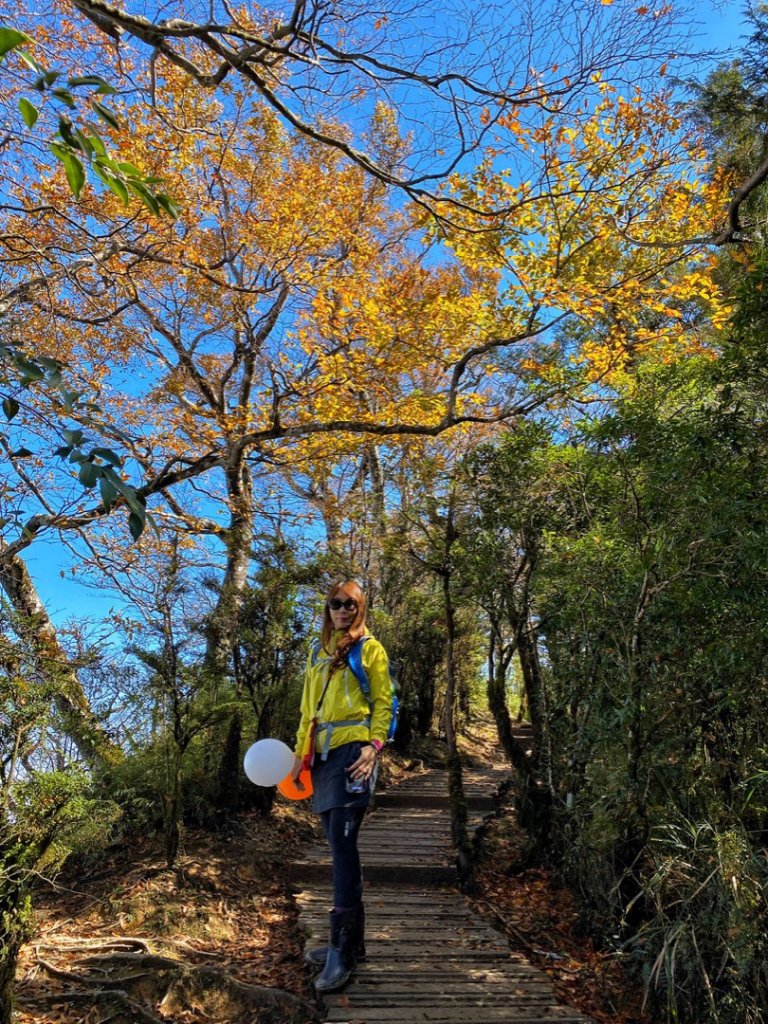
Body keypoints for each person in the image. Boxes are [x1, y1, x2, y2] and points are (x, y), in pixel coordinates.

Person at [291, 580, 391, 993]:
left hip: (354, 753)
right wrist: (299, 758)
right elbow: (306, 712)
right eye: (336, 604)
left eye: (351, 605)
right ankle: (354, 942)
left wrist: (375, 745)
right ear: (327, 608)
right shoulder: (318, 652)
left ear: (361, 608)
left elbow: (386, 702)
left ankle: (341, 949)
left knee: (343, 846)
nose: (343, 610)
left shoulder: (370, 648)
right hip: (323, 757)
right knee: (336, 844)